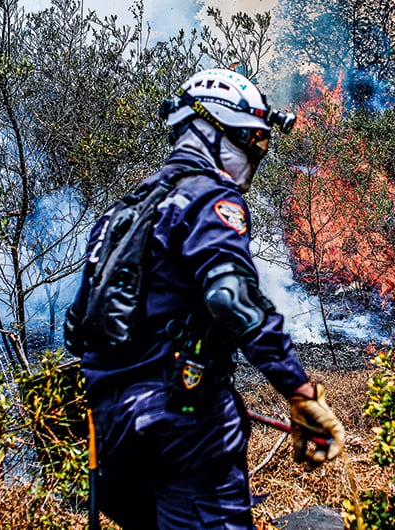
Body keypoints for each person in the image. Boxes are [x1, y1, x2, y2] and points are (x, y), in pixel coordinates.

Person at [65, 68, 346, 529]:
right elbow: (232, 298)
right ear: (216, 132)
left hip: (111, 435)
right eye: (252, 141)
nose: (256, 157)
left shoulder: (121, 212)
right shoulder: (210, 198)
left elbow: (78, 330)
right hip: (183, 426)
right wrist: (299, 391)